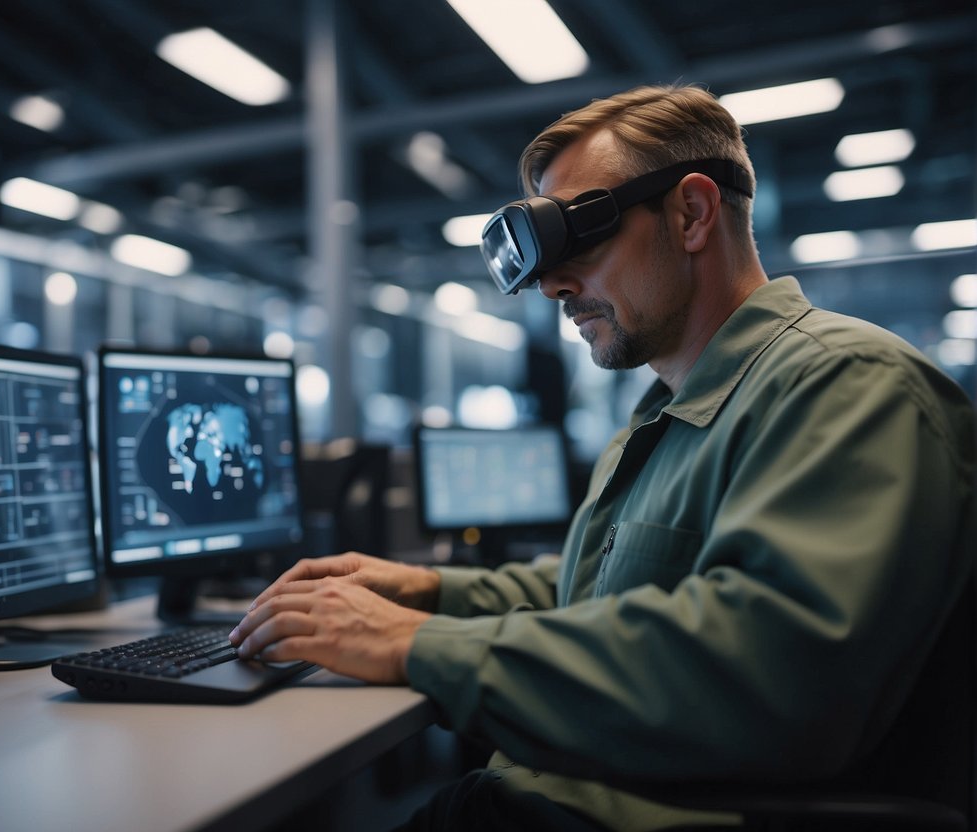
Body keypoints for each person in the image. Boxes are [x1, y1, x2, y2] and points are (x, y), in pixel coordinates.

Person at [228, 84, 976, 831]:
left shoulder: (844, 387)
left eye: (576, 237)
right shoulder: (665, 411)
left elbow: (766, 675)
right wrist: (429, 592)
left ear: (691, 214)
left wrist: (413, 644)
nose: (552, 283)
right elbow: (607, 592)